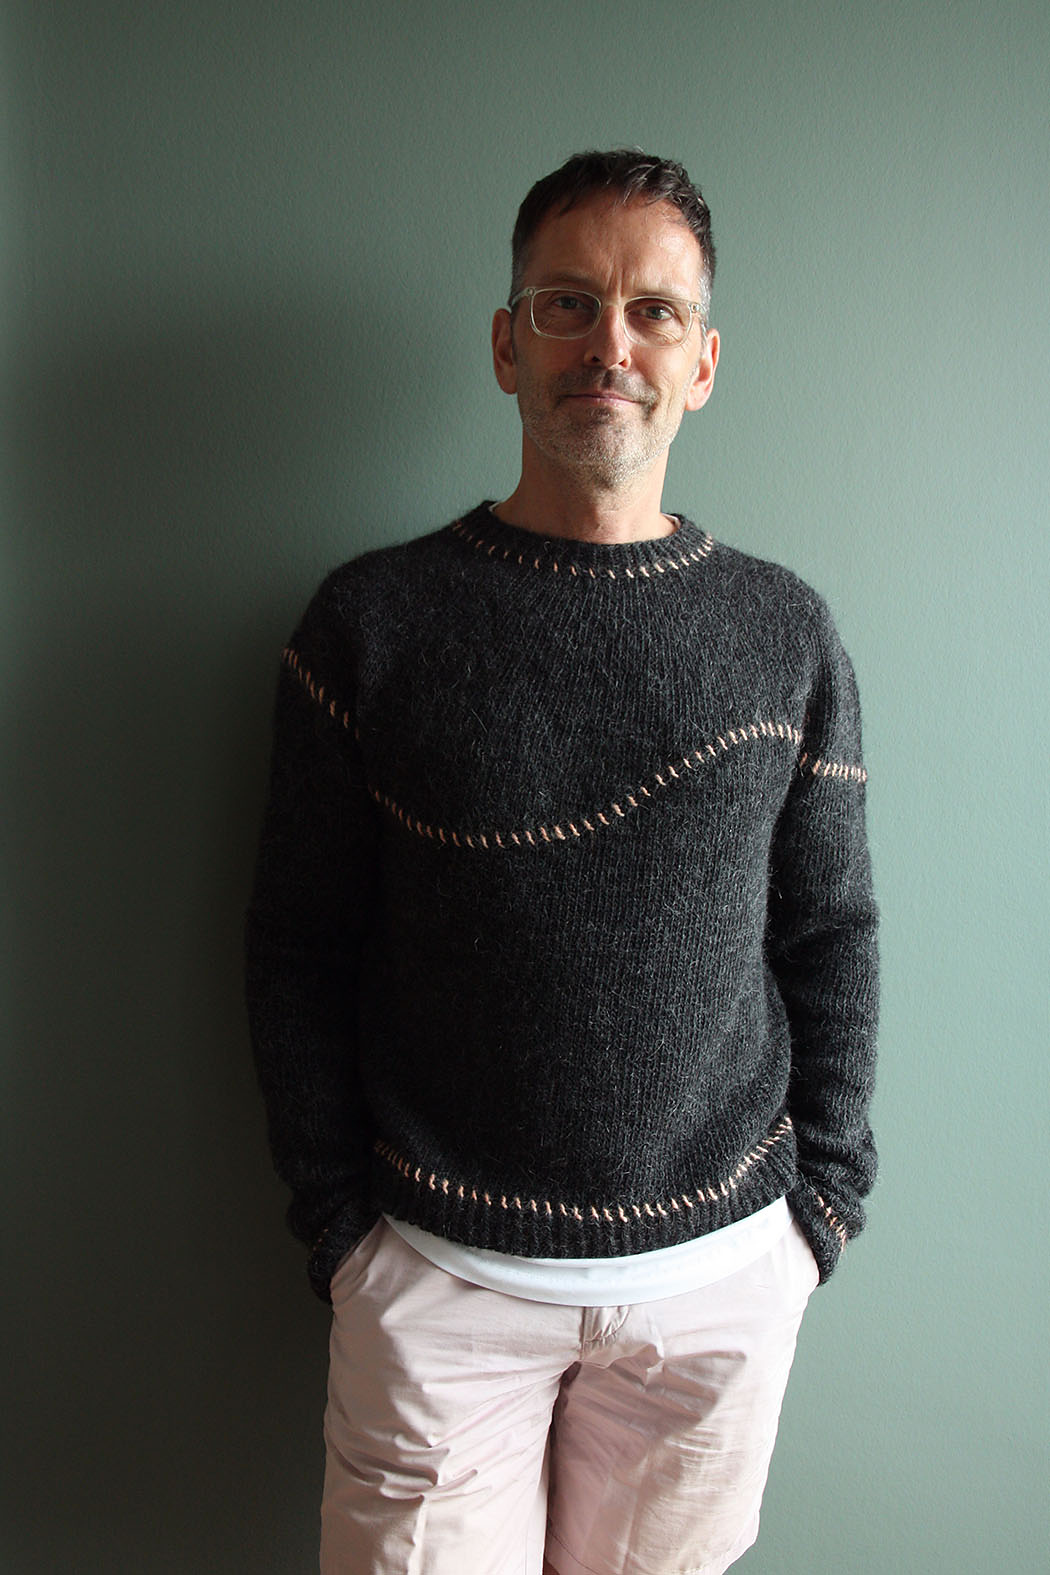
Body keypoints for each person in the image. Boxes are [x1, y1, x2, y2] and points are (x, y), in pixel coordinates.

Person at [246, 149, 878, 1575]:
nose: (609, 345)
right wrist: (344, 1230)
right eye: (566, 303)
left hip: (721, 1288)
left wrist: (819, 1210)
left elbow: (830, 930)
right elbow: (296, 943)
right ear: (505, 343)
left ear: (701, 362)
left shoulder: (785, 632)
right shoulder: (369, 624)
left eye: (654, 311)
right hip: (436, 1285)